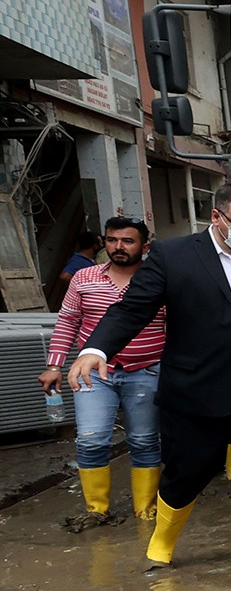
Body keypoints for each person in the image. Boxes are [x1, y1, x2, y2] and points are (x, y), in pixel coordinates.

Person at [72, 184, 231, 576]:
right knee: (188, 472)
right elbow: (132, 310)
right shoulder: (174, 256)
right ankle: (162, 544)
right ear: (216, 217)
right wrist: (95, 350)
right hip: (196, 392)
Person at [42, 216, 165, 519]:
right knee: (91, 438)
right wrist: (55, 365)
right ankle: (96, 510)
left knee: (145, 439)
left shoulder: (159, 279)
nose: (118, 247)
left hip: (147, 369)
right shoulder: (84, 278)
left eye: (127, 241)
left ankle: (146, 509)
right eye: (112, 240)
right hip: (93, 373)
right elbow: (68, 322)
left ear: (144, 246)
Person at [52, 230, 102, 306]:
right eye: (100, 243)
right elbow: (65, 276)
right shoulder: (79, 260)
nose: (102, 246)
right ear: (95, 246)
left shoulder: (88, 261)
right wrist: (83, 290)